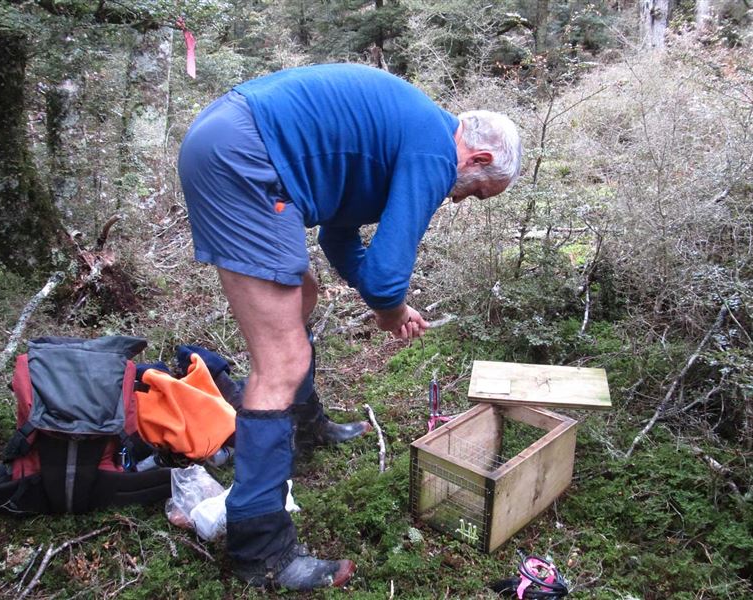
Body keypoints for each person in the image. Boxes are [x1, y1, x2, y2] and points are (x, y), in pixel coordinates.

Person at [177, 62, 522, 591]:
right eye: (474, 192)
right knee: (281, 360)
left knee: (304, 296)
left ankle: (303, 424)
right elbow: (385, 277)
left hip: (229, 138)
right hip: (244, 156)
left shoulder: (403, 134)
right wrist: (390, 311)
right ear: (478, 158)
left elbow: (340, 239)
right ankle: (261, 550)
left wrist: (388, 303)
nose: (457, 200)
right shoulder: (433, 149)